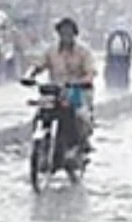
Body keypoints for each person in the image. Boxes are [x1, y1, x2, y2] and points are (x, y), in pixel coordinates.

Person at [26, 17, 96, 154]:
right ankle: (42, 145)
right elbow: (38, 65)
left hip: (76, 91)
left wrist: (81, 82)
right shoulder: (51, 51)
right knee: (40, 113)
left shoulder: (84, 52)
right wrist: (30, 76)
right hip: (55, 91)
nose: (65, 35)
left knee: (80, 116)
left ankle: (80, 143)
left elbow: (90, 73)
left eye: (69, 32)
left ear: (74, 34)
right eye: (63, 32)